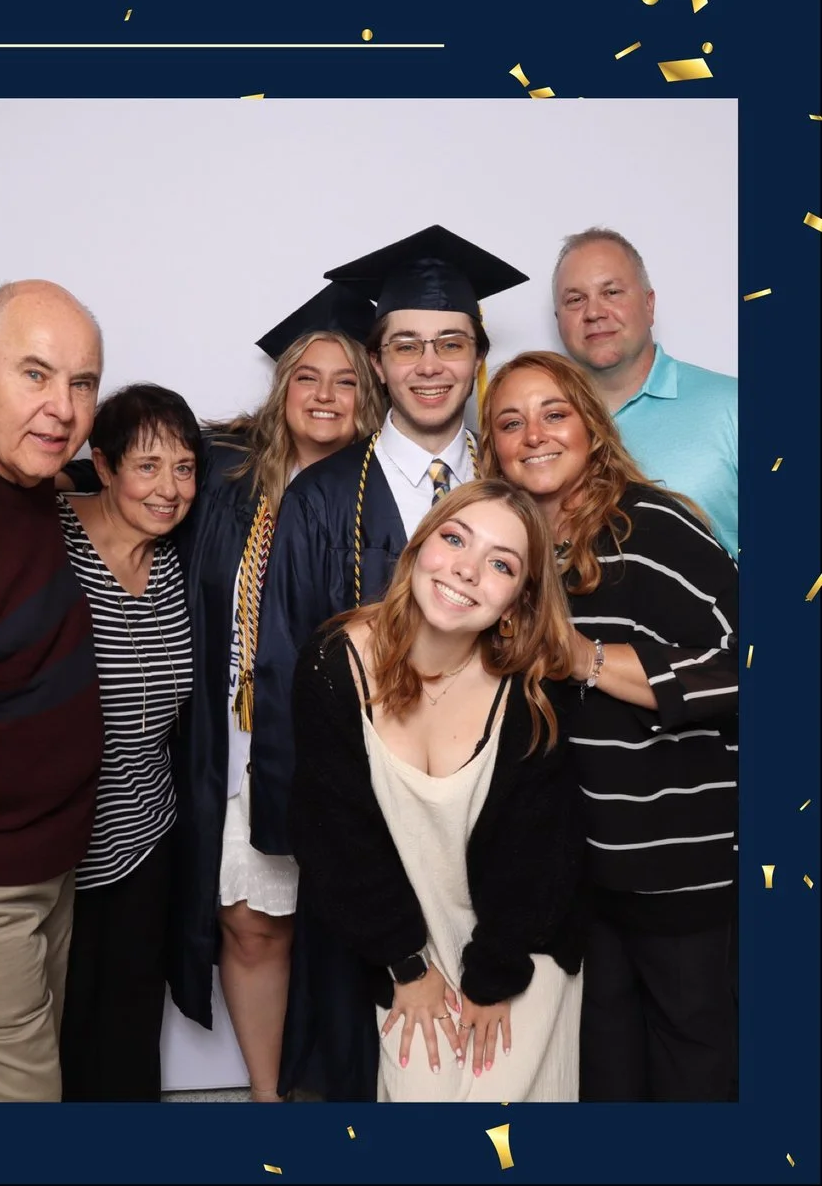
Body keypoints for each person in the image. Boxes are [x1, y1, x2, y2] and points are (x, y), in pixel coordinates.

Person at [253, 225, 525, 1101]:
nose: (430, 364)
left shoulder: (515, 489)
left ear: (478, 357)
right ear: (377, 362)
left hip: (487, 815)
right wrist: (301, 827)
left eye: (451, 343)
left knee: (492, 1052)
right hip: (362, 821)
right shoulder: (322, 496)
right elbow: (286, 663)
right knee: (363, 1046)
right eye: (406, 344)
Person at [480, 350, 739, 1100]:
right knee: (605, 1079)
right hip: (584, 877)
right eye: (510, 422)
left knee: (691, 1080)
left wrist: (585, 657)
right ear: (492, 446)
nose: (534, 434)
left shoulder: (652, 525)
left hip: (677, 868)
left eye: (554, 414)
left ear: (591, 427)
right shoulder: (516, 552)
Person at [288, 480, 585, 1103]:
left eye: (501, 565)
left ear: (518, 602)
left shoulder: (532, 692)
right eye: (454, 539)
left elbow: (540, 862)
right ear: (419, 548)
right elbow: (334, 839)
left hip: (517, 948)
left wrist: (495, 977)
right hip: (405, 948)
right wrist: (406, 966)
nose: (467, 570)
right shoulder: (334, 662)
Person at [168, 287, 380, 1102]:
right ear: (282, 385)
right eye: (307, 377)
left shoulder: (381, 490)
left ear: (371, 392)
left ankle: (345, 1094)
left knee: (343, 924)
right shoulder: (224, 472)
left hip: (337, 745)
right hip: (236, 737)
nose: (325, 395)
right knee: (251, 923)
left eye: (347, 380)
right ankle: (267, 1097)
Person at [56, 384, 200, 1101]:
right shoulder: (49, 537)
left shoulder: (177, 557)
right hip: (56, 846)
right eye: (147, 466)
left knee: (128, 1032)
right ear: (104, 465)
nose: (169, 488)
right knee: (49, 1035)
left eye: (184, 467)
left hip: (146, 834)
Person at [0, 280, 103, 1103]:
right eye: (35, 373)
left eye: (83, 382)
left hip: (53, 859)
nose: (63, 407)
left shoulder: (33, 488)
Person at [550, 227, 739, 555]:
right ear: (558, 320)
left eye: (611, 292)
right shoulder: (541, 433)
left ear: (649, 305)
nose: (594, 313)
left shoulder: (735, 407)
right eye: (575, 300)